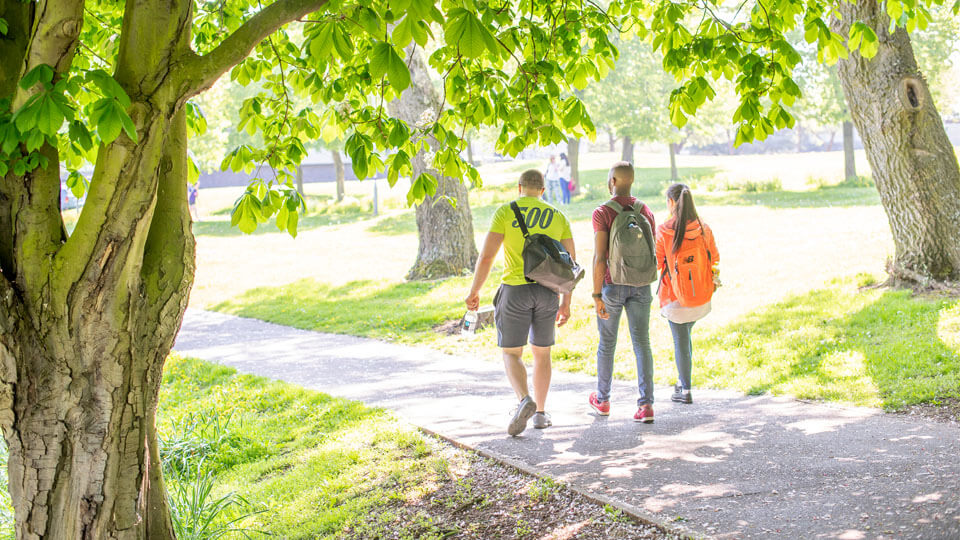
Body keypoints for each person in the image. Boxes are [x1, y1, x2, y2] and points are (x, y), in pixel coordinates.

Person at [465, 169, 576, 436]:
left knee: (512, 352)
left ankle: (524, 399)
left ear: (519, 187)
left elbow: (487, 257)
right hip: (548, 291)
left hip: (514, 290)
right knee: (542, 352)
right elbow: (570, 263)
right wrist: (566, 301)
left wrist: (474, 291)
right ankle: (540, 414)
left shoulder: (505, 212)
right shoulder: (558, 216)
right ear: (542, 190)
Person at [588, 161, 658, 423]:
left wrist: (597, 295)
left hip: (612, 285)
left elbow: (599, 257)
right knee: (642, 343)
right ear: (632, 181)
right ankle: (646, 406)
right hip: (642, 284)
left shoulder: (602, 213)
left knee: (607, 344)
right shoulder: (645, 210)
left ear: (613, 182)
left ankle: (603, 401)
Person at [655, 183, 719, 405]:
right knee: (685, 337)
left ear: (671, 203)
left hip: (675, 300)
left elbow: (656, 263)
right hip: (701, 297)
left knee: (681, 341)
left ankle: (685, 388)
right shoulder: (704, 228)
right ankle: (683, 383)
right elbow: (715, 258)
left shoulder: (664, 230)